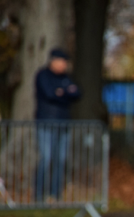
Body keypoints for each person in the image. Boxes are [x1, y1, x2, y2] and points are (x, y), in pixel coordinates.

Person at [34, 47, 81, 202]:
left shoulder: (66, 78)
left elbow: (77, 93)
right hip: (46, 122)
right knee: (46, 158)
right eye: (62, 62)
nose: (64, 66)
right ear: (53, 61)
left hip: (64, 123)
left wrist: (62, 93)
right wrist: (64, 93)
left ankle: (56, 195)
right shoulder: (43, 76)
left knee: (60, 160)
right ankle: (39, 195)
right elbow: (49, 94)